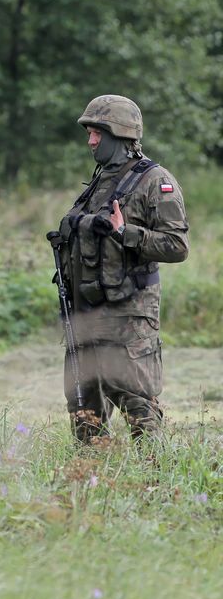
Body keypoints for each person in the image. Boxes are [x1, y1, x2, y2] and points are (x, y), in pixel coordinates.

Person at [50, 95, 188, 441]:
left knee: (137, 403)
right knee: (83, 407)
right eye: (90, 133)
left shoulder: (154, 181)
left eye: (97, 133)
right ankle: (92, 482)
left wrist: (126, 232)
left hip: (128, 314)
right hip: (85, 313)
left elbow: (177, 246)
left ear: (121, 134)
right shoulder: (100, 181)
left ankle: (153, 481)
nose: (91, 141)